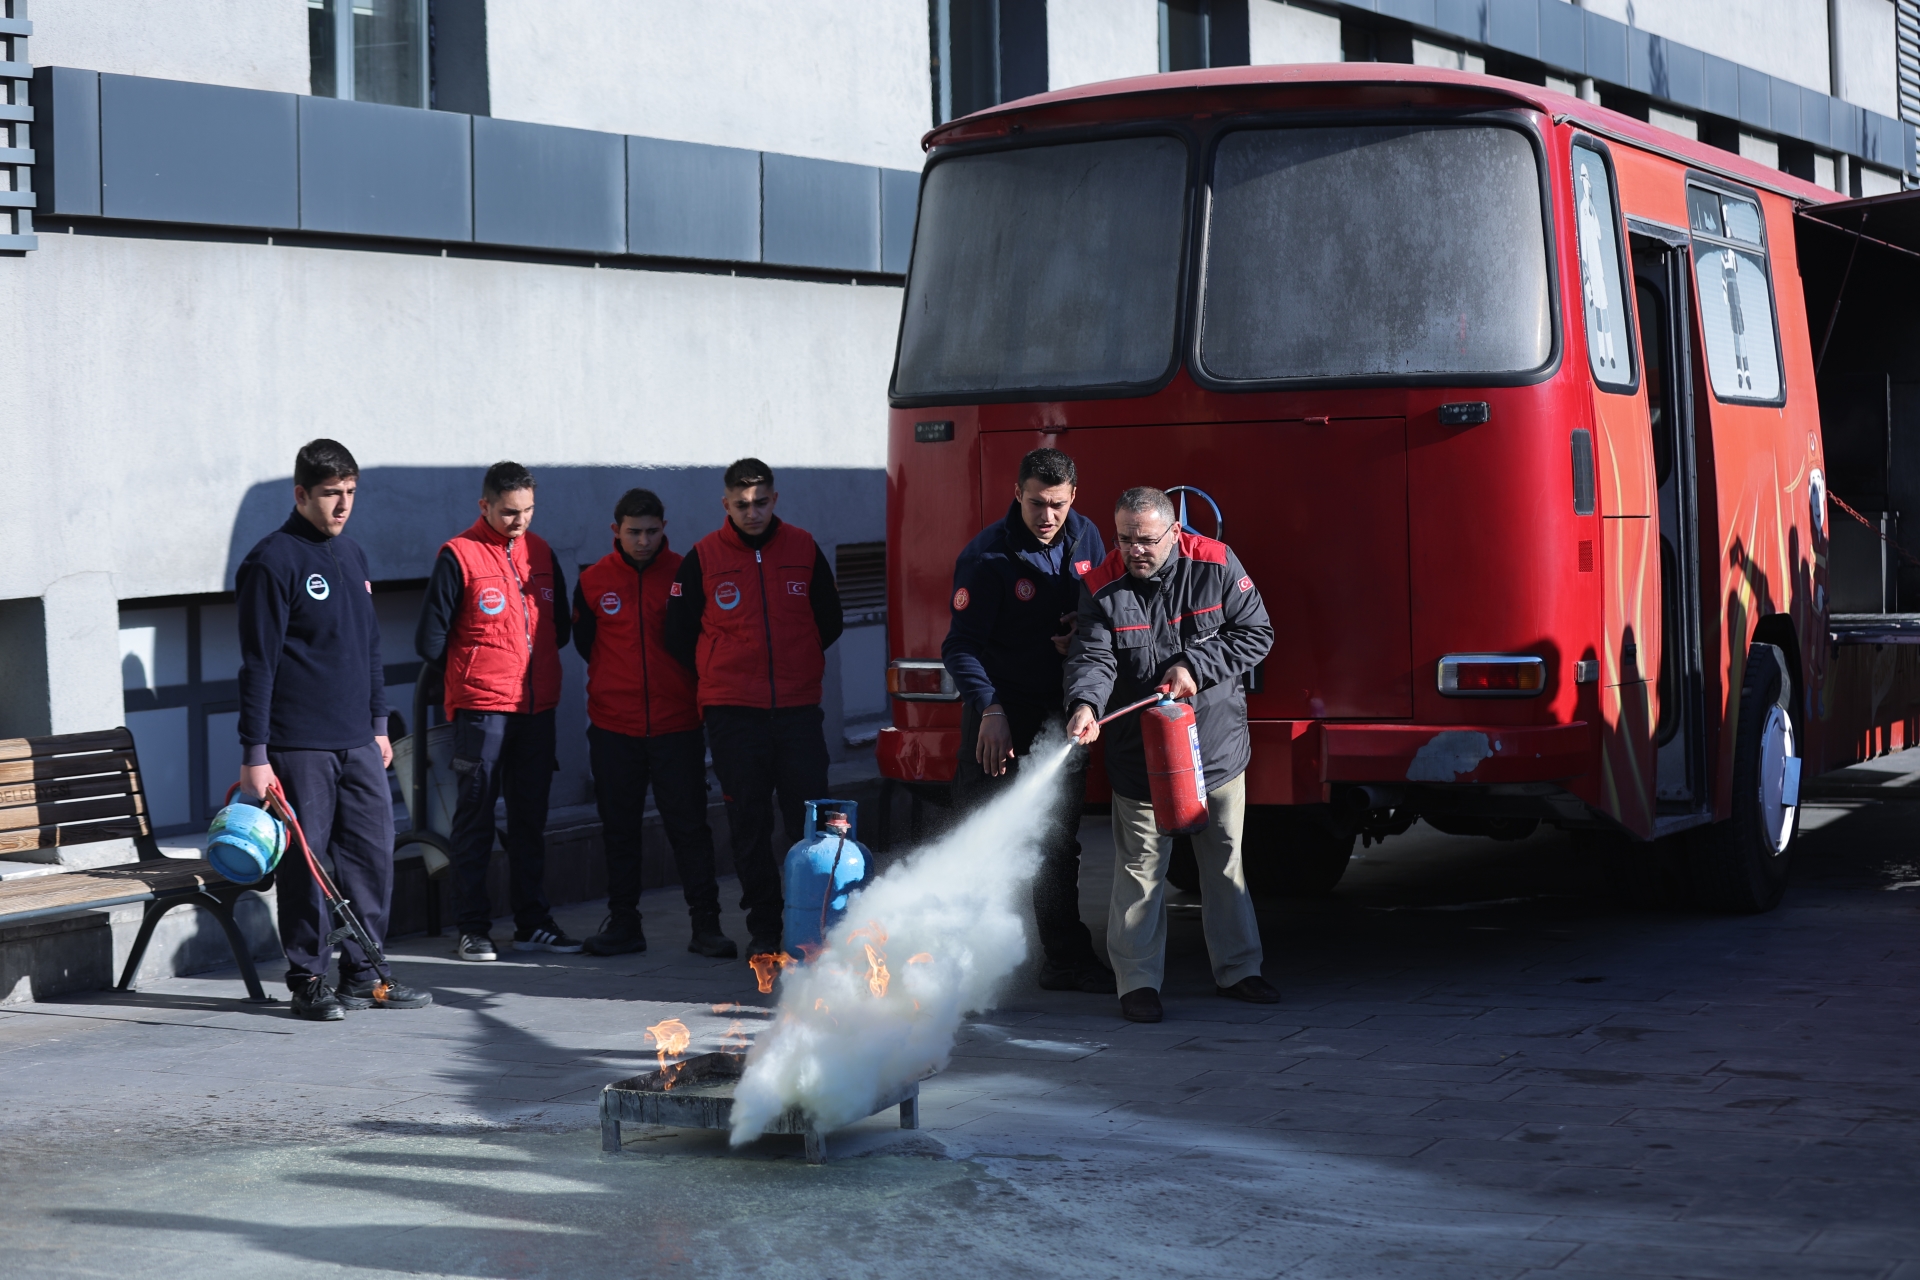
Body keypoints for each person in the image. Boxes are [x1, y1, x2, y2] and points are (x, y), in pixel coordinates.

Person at [1064, 486, 1279, 1024]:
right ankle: (1136, 983)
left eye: (1147, 540)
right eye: (1124, 539)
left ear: (1174, 533)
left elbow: (1258, 633)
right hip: (1140, 757)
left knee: (1223, 863)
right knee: (1140, 869)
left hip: (1216, 749)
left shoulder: (1217, 563)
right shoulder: (1100, 585)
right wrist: (1086, 704)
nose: (1135, 550)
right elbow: (1092, 657)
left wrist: (1194, 666)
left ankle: (1240, 970)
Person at [236, 439, 432, 1020]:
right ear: (301, 494)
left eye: (350, 492)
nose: (342, 504)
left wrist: (378, 727)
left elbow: (370, 649)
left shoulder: (353, 557)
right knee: (307, 865)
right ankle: (308, 977)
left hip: (357, 742)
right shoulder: (272, 561)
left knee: (372, 858)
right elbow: (257, 665)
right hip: (297, 745)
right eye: (330, 494)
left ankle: (365, 973)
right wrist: (255, 754)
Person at [942, 448, 1112, 993]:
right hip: (999, 713)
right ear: (1017, 494)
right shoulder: (986, 558)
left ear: (1073, 499)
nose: (1047, 518)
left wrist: (1079, 630)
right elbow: (960, 647)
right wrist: (990, 710)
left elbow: (1106, 611)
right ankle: (951, 967)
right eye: (1036, 504)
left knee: (1059, 839)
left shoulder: (1088, 538)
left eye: (1058, 505)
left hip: (1062, 710)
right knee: (980, 834)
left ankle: (1064, 959)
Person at [664, 458, 843, 960]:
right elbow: (677, 636)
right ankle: (765, 927)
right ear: (726, 505)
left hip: (797, 710)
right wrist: (722, 671)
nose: (752, 511)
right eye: (741, 504)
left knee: (809, 820)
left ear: (775, 500)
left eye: (760, 502)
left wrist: (796, 660)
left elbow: (829, 620)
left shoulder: (803, 548)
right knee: (748, 825)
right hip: (732, 713)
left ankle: (812, 925)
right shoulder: (702, 557)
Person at [416, 461, 578, 962]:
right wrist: (478, 673)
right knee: (476, 818)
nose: (519, 521)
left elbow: (560, 628)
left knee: (530, 819)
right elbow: (430, 640)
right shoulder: (459, 555)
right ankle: (473, 927)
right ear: (485, 505)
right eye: (509, 512)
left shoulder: (543, 553)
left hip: (537, 706)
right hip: (484, 710)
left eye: (528, 510)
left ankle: (533, 922)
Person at [572, 488, 735, 959]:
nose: (643, 541)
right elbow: (587, 644)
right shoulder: (593, 581)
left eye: (651, 531)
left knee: (689, 828)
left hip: (676, 723)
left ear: (665, 527)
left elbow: (698, 640)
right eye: (633, 532)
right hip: (613, 727)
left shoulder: (686, 572)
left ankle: (706, 925)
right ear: (615, 531)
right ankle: (624, 924)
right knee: (619, 829)